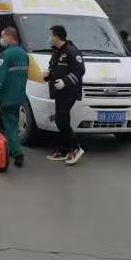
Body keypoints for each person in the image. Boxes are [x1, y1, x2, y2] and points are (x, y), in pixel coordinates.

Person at [44, 25, 85, 165]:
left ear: (57, 36)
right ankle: (63, 150)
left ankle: (75, 148)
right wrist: (48, 74)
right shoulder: (56, 52)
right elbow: (53, 67)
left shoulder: (72, 51)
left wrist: (65, 82)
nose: (49, 38)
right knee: (61, 121)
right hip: (58, 92)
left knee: (61, 120)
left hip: (69, 92)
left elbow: (80, 71)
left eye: (51, 35)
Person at [0, 26, 28, 167]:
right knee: (14, 123)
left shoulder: (6, 55)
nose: (2, 39)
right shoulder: (24, 54)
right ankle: (12, 149)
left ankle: (17, 153)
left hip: (7, 97)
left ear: (10, 37)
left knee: (10, 126)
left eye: (3, 36)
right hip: (19, 97)